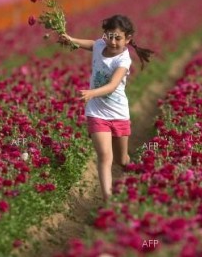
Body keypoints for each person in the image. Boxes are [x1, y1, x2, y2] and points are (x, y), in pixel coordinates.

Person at [58, 15, 155, 205]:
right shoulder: (100, 45)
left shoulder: (123, 60)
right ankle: (108, 200)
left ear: (127, 39)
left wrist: (92, 92)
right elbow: (91, 44)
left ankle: (137, 176)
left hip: (118, 114)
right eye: (109, 36)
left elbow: (112, 86)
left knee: (122, 160)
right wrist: (70, 39)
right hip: (97, 112)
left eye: (117, 38)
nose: (112, 41)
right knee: (104, 156)